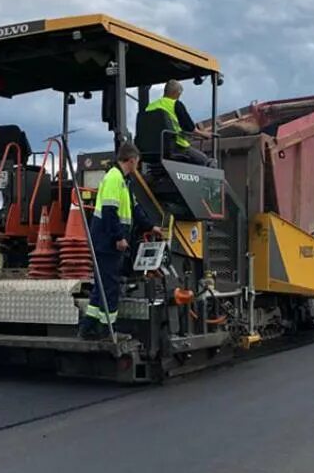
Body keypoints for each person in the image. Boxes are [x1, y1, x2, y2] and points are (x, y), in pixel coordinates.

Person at [79, 142, 160, 340]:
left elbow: (134, 209)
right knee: (110, 286)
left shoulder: (124, 181)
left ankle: (88, 328)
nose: (138, 166)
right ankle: (108, 331)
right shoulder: (115, 179)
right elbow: (109, 212)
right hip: (108, 242)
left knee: (101, 285)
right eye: (137, 162)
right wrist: (119, 238)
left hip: (105, 240)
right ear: (132, 160)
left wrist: (151, 227)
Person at [144, 79, 216, 167]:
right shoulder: (175, 104)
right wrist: (204, 134)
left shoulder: (150, 106)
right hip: (176, 147)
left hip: (150, 150)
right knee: (206, 162)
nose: (179, 97)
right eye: (179, 94)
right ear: (176, 93)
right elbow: (190, 128)